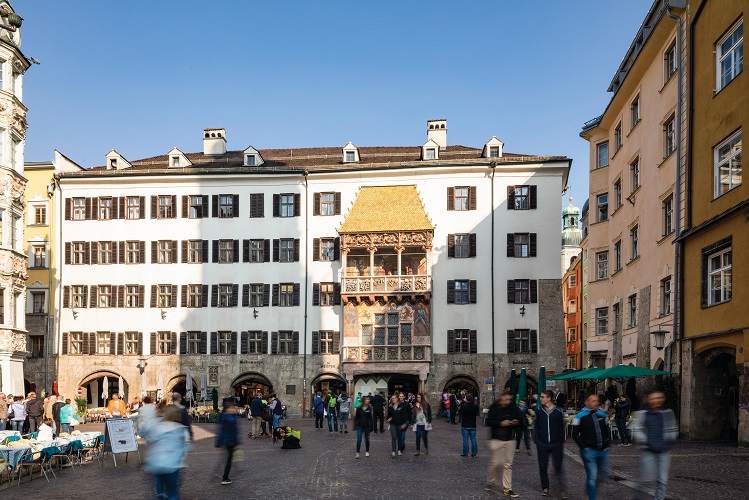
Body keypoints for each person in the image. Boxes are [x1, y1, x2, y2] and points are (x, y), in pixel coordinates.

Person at [630, 391, 678, 500]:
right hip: (648, 451)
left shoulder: (668, 413)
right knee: (646, 480)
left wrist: (669, 440)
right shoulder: (643, 414)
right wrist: (647, 441)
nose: (657, 400)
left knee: (662, 481)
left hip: (664, 451)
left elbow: (673, 429)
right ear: (649, 400)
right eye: (654, 398)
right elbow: (637, 429)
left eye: (660, 398)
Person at [143, 404, 189, 500]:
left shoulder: (158, 427)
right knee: (172, 490)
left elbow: (150, 439)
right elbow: (185, 446)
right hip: (173, 464)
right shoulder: (180, 429)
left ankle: (161, 496)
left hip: (158, 462)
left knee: (160, 481)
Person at [572, 393, 611, 500]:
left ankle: (589, 490)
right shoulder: (579, 416)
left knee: (603, 474)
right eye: (593, 401)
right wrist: (583, 447)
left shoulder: (602, 415)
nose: (596, 403)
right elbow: (574, 434)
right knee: (592, 476)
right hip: (589, 451)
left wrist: (607, 444)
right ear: (587, 403)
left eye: (597, 401)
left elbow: (606, 430)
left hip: (602, 450)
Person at [485, 391, 522, 498]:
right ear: (501, 397)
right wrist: (501, 423)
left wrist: (516, 421)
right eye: (506, 399)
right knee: (496, 463)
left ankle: (508, 489)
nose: (508, 401)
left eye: (510, 399)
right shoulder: (494, 407)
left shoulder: (512, 407)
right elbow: (489, 422)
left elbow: (519, 418)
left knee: (508, 464)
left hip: (509, 439)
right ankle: (490, 481)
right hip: (496, 439)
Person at [535, 390, 567, 499]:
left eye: (543, 397)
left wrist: (560, 440)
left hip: (556, 444)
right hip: (543, 444)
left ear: (549, 398)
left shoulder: (557, 412)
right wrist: (537, 440)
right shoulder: (539, 411)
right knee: (543, 467)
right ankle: (545, 487)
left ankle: (561, 488)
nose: (541, 399)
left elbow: (561, 427)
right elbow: (536, 426)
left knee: (558, 466)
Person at [215, 398, 241, 485]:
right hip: (230, 441)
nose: (234, 409)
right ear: (228, 409)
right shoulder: (231, 419)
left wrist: (219, 443)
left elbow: (220, 431)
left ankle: (226, 473)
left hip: (226, 441)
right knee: (229, 459)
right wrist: (237, 442)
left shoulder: (223, 416)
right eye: (233, 408)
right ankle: (225, 477)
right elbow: (234, 431)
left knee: (228, 458)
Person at [460, 393, 479, 457]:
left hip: (465, 425)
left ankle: (465, 453)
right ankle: (474, 453)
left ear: (466, 399)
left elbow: (460, 410)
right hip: (473, 425)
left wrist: (463, 401)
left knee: (465, 440)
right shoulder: (475, 407)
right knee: (473, 439)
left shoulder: (464, 406)